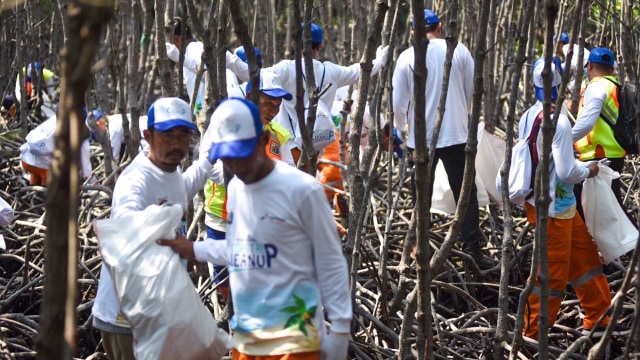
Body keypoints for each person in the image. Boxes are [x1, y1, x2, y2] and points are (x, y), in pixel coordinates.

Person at [159, 98, 352, 360]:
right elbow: (242, 249)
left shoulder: (302, 190)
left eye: (242, 156)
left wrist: (340, 333)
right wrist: (193, 248)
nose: (237, 167)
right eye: (228, 159)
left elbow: (331, 262)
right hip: (248, 335)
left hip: (295, 337)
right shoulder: (237, 188)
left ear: (263, 142)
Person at [91, 97, 212, 360]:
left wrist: (209, 159)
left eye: (184, 135)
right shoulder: (137, 178)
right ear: (148, 135)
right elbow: (125, 219)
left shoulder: (170, 170)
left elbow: (183, 188)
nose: (177, 144)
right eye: (168, 136)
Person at [521, 58, 628, 339]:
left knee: (587, 262)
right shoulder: (558, 120)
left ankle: (599, 318)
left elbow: (548, 158)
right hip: (553, 210)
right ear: (560, 85)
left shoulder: (528, 115)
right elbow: (568, 172)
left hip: (554, 206)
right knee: (551, 278)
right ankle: (532, 337)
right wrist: (589, 169)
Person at [391, 9, 490, 268]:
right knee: (465, 193)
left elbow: (398, 102)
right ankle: (473, 250)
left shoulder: (406, 57)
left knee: (420, 196)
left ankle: (419, 248)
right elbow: (472, 89)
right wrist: (461, 115)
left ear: (413, 30)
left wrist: (402, 129)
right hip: (456, 134)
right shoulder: (459, 50)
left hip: (420, 139)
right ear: (440, 26)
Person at [262, 22, 388, 163]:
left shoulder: (285, 69)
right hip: (314, 147)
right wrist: (381, 59)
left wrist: (232, 61)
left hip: (288, 148)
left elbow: (254, 75)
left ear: (294, 44)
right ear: (320, 46)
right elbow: (361, 70)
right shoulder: (331, 72)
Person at [571, 47, 626, 214]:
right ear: (611, 69)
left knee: (608, 214)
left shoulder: (596, 87)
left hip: (599, 158)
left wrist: (562, 140)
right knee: (609, 213)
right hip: (612, 155)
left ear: (589, 67)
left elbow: (587, 123)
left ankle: (633, 239)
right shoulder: (615, 87)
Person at [166, 17, 250, 117]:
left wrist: (181, 59)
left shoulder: (194, 49)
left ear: (176, 39)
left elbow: (207, 71)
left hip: (216, 113)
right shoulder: (194, 50)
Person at [19, 114, 92, 186]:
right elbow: (86, 170)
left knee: (37, 174)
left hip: (25, 159)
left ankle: (33, 188)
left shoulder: (55, 119)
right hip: (43, 168)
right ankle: (42, 193)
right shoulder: (79, 136)